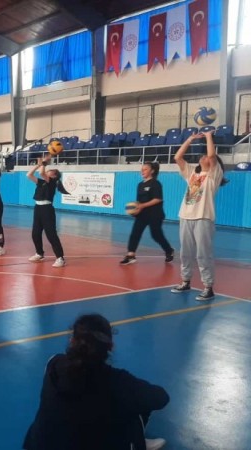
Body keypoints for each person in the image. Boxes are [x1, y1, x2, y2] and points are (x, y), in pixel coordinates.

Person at [23, 313, 169, 450]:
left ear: (72, 341)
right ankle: (137, 442)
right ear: (111, 347)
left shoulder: (53, 363)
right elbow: (161, 398)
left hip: (38, 445)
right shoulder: (118, 381)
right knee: (133, 410)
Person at [171, 130, 226, 301]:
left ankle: (208, 287)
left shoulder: (213, 175)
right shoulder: (192, 174)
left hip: (203, 219)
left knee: (203, 254)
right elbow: (177, 157)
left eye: (206, 157)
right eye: (202, 156)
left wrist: (208, 136)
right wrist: (190, 139)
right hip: (185, 217)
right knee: (185, 253)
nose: (203, 157)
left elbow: (211, 155)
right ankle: (185, 281)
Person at [119, 161, 174, 266]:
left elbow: (157, 199)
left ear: (152, 171)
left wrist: (143, 206)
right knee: (135, 233)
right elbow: (138, 202)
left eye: (145, 169)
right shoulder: (140, 185)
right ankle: (131, 255)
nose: (142, 171)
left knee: (156, 235)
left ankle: (169, 250)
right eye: (142, 169)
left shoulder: (156, 183)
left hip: (155, 214)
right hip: (142, 214)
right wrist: (135, 210)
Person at [26, 154, 69, 268]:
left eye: (50, 171)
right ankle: (39, 254)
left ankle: (60, 258)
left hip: (47, 210)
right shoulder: (41, 182)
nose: (47, 171)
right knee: (35, 233)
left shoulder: (52, 182)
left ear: (54, 175)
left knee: (51, 234)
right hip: (38, 208)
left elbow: (41, 173)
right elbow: (29, 175)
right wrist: (38, 165)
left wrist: (44, 163)